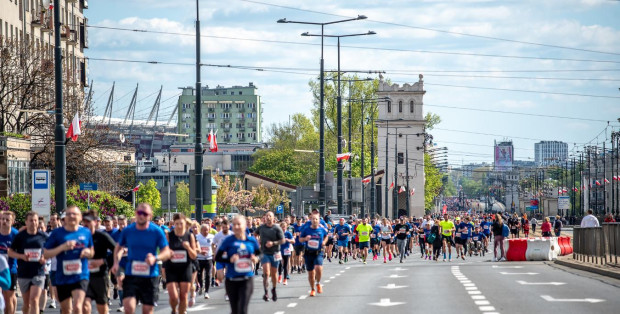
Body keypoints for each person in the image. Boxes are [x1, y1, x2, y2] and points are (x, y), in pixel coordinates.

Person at [111, 203, 171, 314]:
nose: (142, 216)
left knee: (147, 310)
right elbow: (118, 247)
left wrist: (156, 257)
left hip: (150, 276)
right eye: (139, 213)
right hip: (131, 274)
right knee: (128, 307)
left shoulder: (156, 231)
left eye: (145, 213)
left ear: (150, 216)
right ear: (136, 214)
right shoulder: (128, 230)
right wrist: (115, 263)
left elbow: (166, 252)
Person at [43, 206, 95, 314]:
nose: (71, 216)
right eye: (68, 214)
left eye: (74, 214)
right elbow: (46, 253)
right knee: (67, 310)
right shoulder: (57, 233)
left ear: (80, 217)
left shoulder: (86, 232)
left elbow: (92, 251)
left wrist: (88, 253)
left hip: (81, 275)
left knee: (77, 307)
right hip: (62, 277)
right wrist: (62, 247)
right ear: (64, 218)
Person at [214, 215, 260, 314]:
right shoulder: (228, 241)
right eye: (234, 225)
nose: (236, 227)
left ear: (244, 226)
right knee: (235, 310)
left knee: (243, 309)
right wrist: (229, 259)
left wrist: (256, 258)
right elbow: (217, 257)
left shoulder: (251, 241)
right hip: (231, 280)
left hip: (247, 279)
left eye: (239, 224)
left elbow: (260, 254)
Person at [8, 211, 48, 314]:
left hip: (38, 273)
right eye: (31, 220)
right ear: (26, 222)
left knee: (34, 300)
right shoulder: (20, 236)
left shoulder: (43, 236)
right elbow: (10, 252)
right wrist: (21, 256)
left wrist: (45, 258)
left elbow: (51, 251)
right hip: (23, 273)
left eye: (35, 220)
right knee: (27, 304)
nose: (33, 223)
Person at [81, 211, 116, 314]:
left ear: (95, 222)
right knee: (85, 305)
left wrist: (104, 261)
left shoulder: (102, 236)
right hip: (84, 276)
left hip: (100, 276)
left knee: (102, 307)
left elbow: (117, 250)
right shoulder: (80, 237)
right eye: (84, 221)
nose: (86, 223)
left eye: (89, 221)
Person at [164, 213, 197, 314]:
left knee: (183, 296)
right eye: (176, 223)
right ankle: (174, 310)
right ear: (174, 224)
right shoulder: (169, 236)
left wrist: (188, 248)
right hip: (171, 268)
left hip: (185, 268)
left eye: (181, 223)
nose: (178, 226)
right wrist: (168, 253)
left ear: (185, 223)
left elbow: (194, 256)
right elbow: (163, 252)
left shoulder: (189, 236)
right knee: (173, 297)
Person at [254, 211, 284, 302]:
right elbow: (254, 235)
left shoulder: (277, 228)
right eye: (266, 216)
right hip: (265, 253)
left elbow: (282, 240)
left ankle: (274, 289)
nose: (268, 217)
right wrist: (257, 241)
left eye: (269, 216)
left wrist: (273, 243)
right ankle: (266, 292)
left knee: (274, 274)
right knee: (266, 273)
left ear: (273, 218)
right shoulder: (261, 228)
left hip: (275, 253)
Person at [300, 214, 328, 297]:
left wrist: (324, 242)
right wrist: (305, 239)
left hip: (318, 252)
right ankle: (312, 289)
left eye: (316, 219)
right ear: (310, 220)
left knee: (318, 268)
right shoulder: (306, 229)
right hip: (308, 252)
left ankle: (318, 283)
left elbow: (326, 236)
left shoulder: (321, 229)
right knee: (311, 273)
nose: (315, 220)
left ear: (319, 220)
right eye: (313, 219)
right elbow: (300, 239)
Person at [0, 211, 18, 314]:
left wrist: (12, 253)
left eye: (7, 220)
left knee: (8, 298)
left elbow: (22, 252)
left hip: (10, 270)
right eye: (3, 219)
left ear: (12, 222)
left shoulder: (15, 235)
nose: (4, 221)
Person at [195, 224, 214, 299]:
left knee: (208, 275)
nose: (206, 231)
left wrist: (214, 252)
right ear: (201, 230)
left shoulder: (212, 237)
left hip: (208, 258)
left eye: (207, 230)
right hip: (199, 258)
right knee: (199, 275)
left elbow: (214, 245)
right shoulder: (197, 237)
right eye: (204, 230)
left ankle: (206, 292)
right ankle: (200, 286)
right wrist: (200, 252)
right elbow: (194, 247)